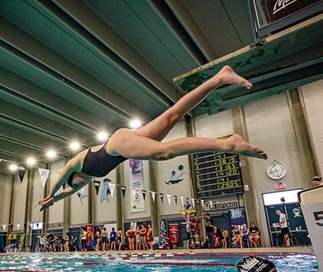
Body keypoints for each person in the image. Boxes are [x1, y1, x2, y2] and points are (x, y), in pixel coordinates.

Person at [39, 66, 267, 210]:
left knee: (163, 152)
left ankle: (228, 144)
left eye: (76, 184)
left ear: (73, 176)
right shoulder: (86, 177)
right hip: (124, 141)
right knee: (173, 116)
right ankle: (219, 78)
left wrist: (50, 193)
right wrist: (55, 200)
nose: (80, 187)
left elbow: (62, 176)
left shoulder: (77, 163)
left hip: (117, 144)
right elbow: (68, 191)